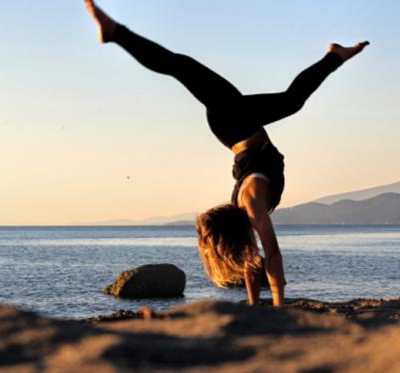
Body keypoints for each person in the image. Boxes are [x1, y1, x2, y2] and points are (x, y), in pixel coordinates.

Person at [84, 1, 369, 307]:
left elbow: (272, 253)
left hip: (237, 124)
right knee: (190, 70)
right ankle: (334, 55)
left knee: (188, 69)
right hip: (231, 130)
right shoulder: (246, 209)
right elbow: (253, 259)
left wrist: (278, 302)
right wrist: (252, 304)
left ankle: (117, 33)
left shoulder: (251, 204)